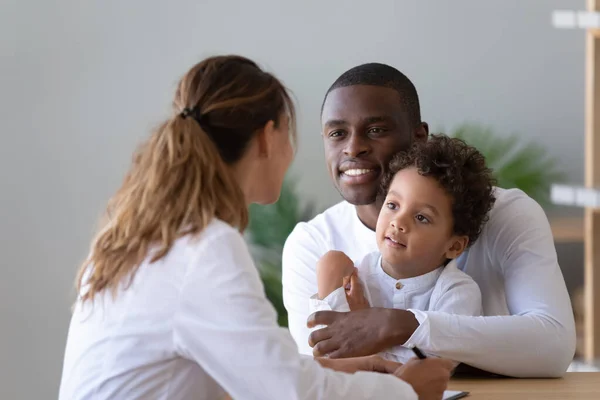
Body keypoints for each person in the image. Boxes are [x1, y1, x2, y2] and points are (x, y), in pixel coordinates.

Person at [58, 55, 455, 400]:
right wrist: (405, 393)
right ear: (268, 137)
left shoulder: (147, 238)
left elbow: (263, 373)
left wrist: (361, 370)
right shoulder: (205, 248)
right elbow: (287, 393)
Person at [282, 62, 577, 378]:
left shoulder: (506, 214)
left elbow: (553, 345)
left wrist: (401, 324)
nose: (353, 148)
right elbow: (319, 375)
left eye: (376, 130)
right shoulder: (312, 243)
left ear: (419, 137)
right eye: (337, 133)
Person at [311, 135, 494, 364]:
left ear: (454, 245)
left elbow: (435, 364)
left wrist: (363, 323)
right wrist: (334, 289)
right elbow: (328, 354)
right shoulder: (356, 276)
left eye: (421, 217)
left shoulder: (457, 292)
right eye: (393, 205)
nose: (398, 222)